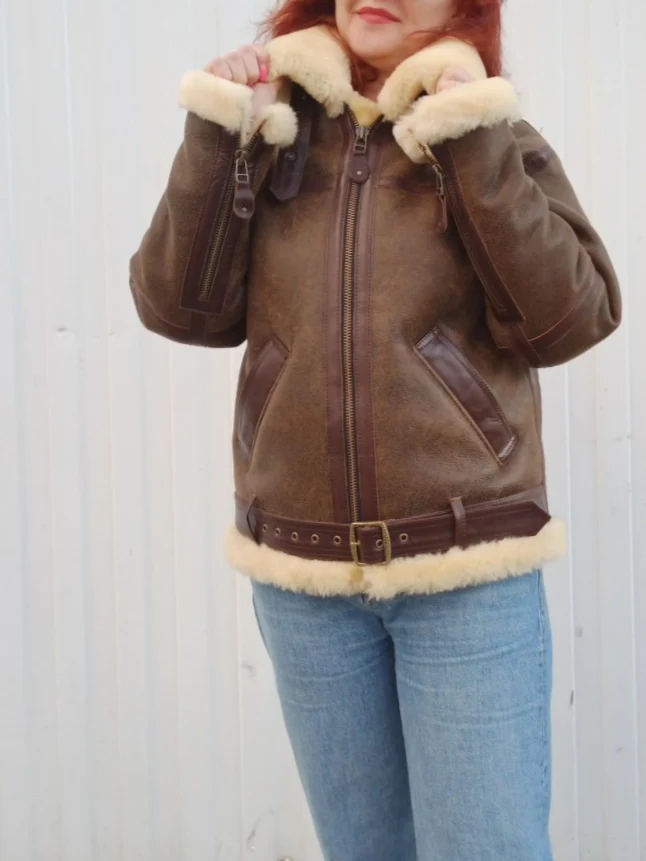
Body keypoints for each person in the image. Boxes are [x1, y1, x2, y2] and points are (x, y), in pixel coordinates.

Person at [130, 0, 621, 858]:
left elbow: (568, 319)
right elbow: (179, 308)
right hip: (305, 581)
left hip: (466, 574)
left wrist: (468, 137)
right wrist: (221, 133)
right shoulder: (274, 135)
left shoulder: (490, 132)